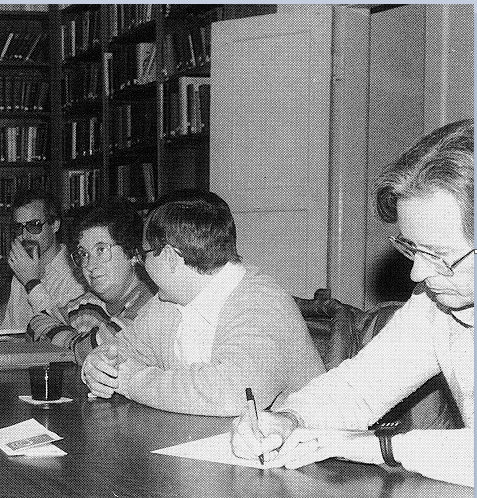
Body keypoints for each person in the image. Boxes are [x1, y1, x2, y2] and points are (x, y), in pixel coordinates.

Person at [231, 119, 474, 488]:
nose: (416, 274)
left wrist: (371, 446)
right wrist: (288, 418)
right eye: (411, 248)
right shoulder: (436, 303)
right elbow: (358, 390)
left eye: (439, 255)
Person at [82, 190, 325, 416]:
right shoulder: (168, 304)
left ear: (170, 258)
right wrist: (97, 364)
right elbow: (121, 349)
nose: (139, 263)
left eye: (143, 255)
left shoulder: (262, 302)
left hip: (297, 454)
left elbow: (235, 392)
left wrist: (132, 381)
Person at [28, 199, 160, 364]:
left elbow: (96, 351)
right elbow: (35, 323)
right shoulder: (88, 304)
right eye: (83, 254)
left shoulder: (150, 305)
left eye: (101, 250)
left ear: (132, 253)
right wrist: (77, 343)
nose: (90, 265)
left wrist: (72, 343)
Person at [2, 188, 85, 330]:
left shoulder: (76, 273)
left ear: (55, 225)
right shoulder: (21, 269)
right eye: (18, 227)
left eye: (34, 225)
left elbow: (64, 334)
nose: (25, 235)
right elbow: (9, 330)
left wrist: (31, 283)